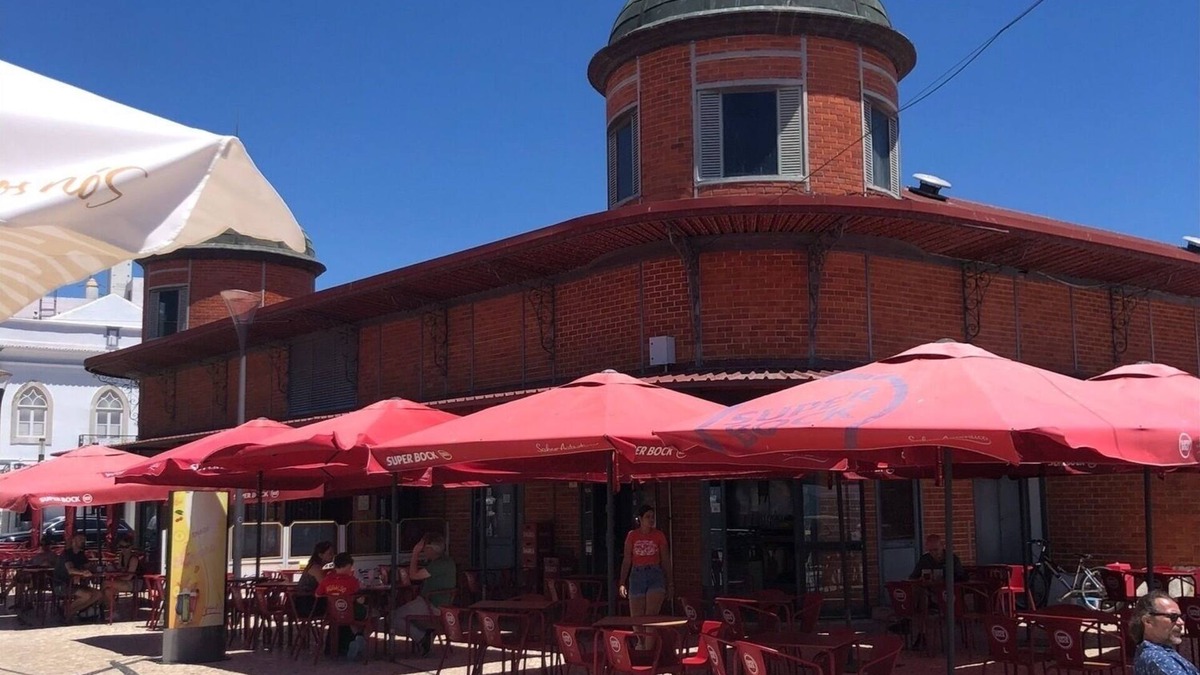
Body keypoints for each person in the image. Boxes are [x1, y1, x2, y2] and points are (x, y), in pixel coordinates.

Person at [392, 532, 456, 656]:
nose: (424, 551)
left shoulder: (438, 564)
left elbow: (413, 575)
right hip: (440, 604)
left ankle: (422, 638)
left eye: (424, 548)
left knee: (392, 617)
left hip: (431, 604)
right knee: (407, 614)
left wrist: (415, 553)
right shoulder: (448, 561)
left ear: (430, 549)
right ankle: (427, 635)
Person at [618, 504, 673, 617]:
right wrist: (622, 582)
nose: (651, 519)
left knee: (650, 617)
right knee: (636, 618)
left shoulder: (659, 535)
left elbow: (666, 560)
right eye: (648, 517)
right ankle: (641, 636)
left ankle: (650, 635)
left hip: (655, 573)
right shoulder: (632, 535)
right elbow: (627, 560)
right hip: (637, 574)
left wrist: (670, 583)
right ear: (640, 519)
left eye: (652, 517)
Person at [316, 552, 370, 660]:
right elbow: (360, 599)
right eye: (350, 566)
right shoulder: (352, 581)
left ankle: (355, 638)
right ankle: (359, 638)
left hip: (332, 614)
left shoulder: (326, 580)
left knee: (347, 616)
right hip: (350, 614)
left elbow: (317, 594)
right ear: (347, 566)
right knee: (371, 614)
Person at [1131, 591, 1199, 675]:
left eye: (1180, 617)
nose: (1181, 622)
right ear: (1148, 621)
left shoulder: (1152, 651)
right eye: (1173, 617)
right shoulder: (1160, 661)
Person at [55, 533, 103, 623]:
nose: (83, 542)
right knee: (86, 595)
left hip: (74, 584)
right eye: (80, 539)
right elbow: (70, 570)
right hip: (62, 584)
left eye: (84, 540)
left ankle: (68, 612)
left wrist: (95, 565)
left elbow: (88, 566)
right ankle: (66, 611)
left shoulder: (81, 554)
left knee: (98, 594)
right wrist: (82, 573)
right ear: (73, 540)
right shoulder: (67, 554)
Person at [102, 535, 142, 619]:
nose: (123, 549)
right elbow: (120, 570)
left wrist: (115, 578)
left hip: (135, 582)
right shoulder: (121, 556)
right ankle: (114, 611)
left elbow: (129, 577)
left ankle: (99, 604)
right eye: (121, 547)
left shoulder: (134, 558)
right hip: (125, 581)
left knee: (105, 583)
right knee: (107, 591)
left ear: (131, 547)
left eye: (126, 547)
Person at [11, 540, 58, 610]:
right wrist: (25, 563)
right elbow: (29, 563)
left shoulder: (53, 556)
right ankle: (18, 602)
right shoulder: (38, 555)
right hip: (32, 574)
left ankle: (29, 602)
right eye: (42, 545)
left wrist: (47, 565)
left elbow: (54, 568)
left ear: (49, 546)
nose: (43, 547)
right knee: (19, 580)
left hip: (44, 578)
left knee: (30, 580)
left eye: (45, 545)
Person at [294, 540, 334, 617]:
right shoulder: (316, 568)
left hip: (309, 602)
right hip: (307, 605)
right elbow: (326, 586)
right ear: (321, 555)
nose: (332, 556)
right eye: (330, 553)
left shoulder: (320, 567)